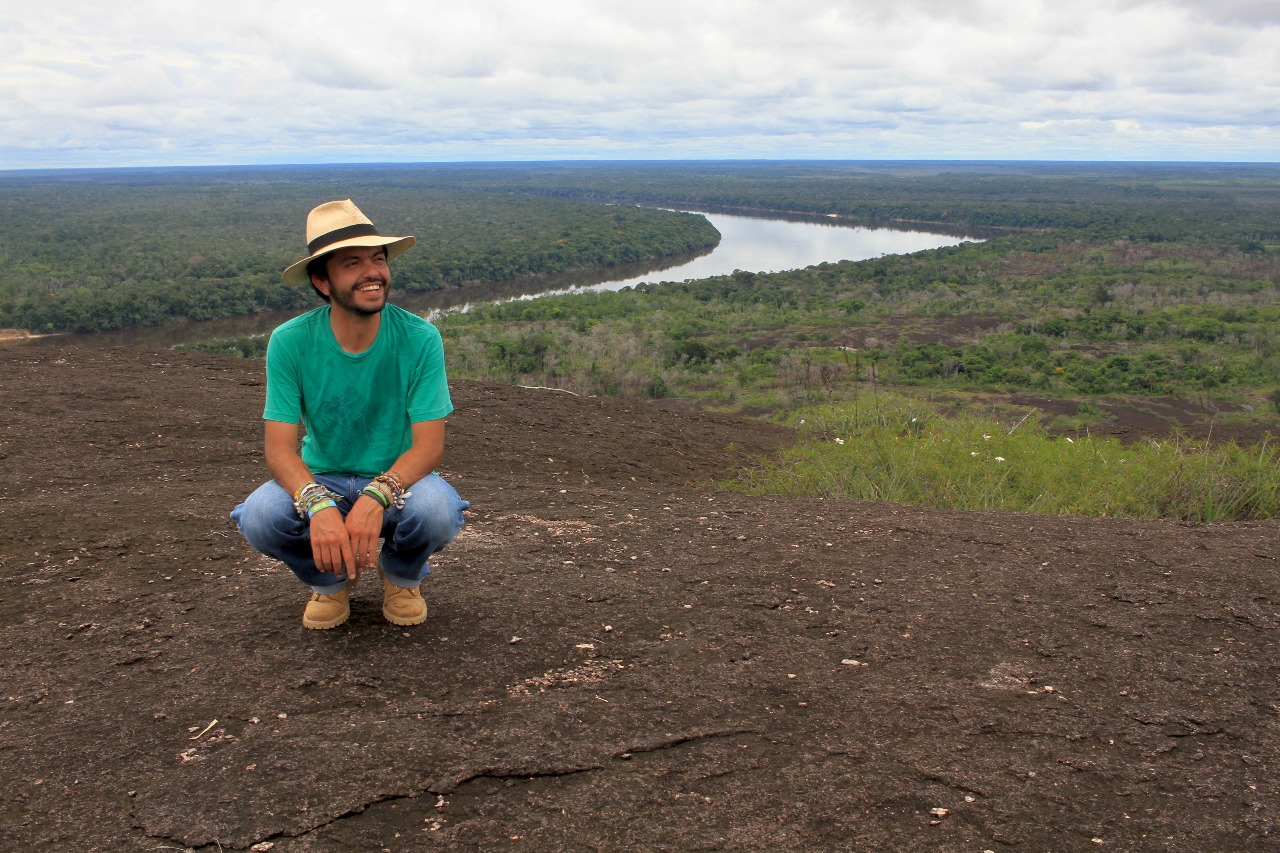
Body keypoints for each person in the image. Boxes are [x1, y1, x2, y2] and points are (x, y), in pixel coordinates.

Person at [231, 199, 468, 630]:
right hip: (324, 475)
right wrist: (317, 503)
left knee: (438, 511)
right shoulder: (290, 342)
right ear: (322, 282)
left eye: (378, 259)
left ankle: (401, 576)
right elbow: (280, 449)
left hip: (399, 479)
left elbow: (429, 446)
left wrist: (378, 495)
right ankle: (329, 581)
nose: (372, 272)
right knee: (260, 516)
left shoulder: (419, 338)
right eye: (352, 264)